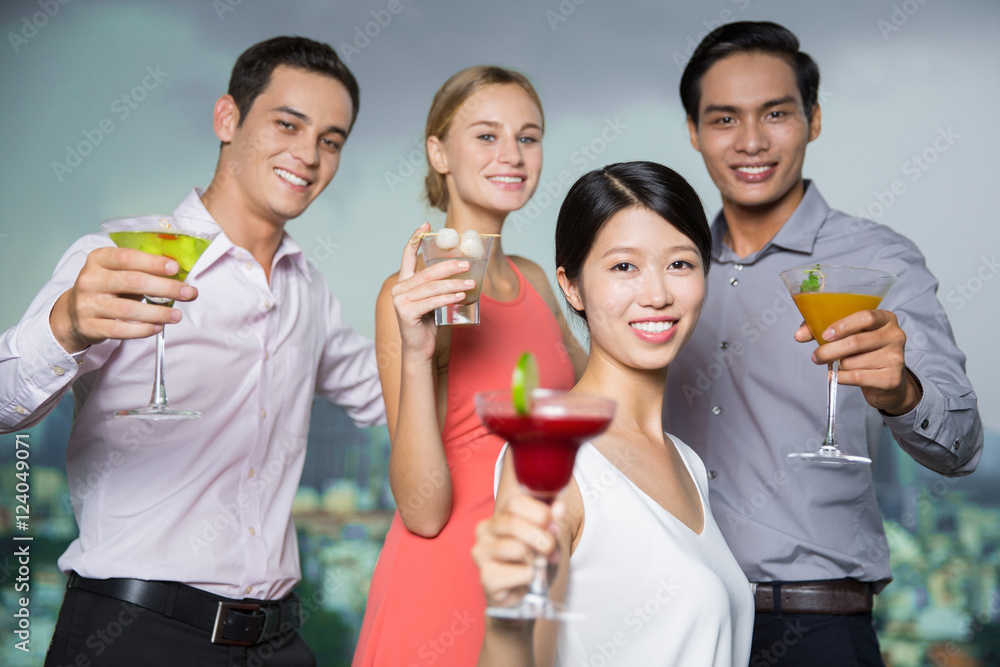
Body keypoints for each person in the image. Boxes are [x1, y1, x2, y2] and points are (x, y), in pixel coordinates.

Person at [0, 36, 384, 666]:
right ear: (227, 118)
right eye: (287, 124)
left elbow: (385, 392)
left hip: (279, 644)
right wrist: (66, 324)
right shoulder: (123, 253)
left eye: (331, 139)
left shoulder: (308, 286)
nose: (308, 155)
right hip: (134, 634)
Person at [665, 21, 984, 665]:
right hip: (678, 622)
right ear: (694, 133)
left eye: (775, 113)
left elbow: (963, 445)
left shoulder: (875, 257)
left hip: (814, 629)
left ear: (812, 120)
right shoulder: (670, 263)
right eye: (724, 119)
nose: (751, 141)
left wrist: (901, 392)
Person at [473, 161, 754, 666]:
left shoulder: (687, 464)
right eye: (624, 266)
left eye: (681, 264)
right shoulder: (550, 456)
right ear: (573, 287)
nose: (657, 295)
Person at [353, 66, 586, 666]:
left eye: (528, 137)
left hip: (527, 582)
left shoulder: (537, 280)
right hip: (438, 590)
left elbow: (596, 418)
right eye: (486, 135)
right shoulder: (409, 296)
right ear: (439, 152)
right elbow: (424, 513)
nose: (512, 153)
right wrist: (416, 353)